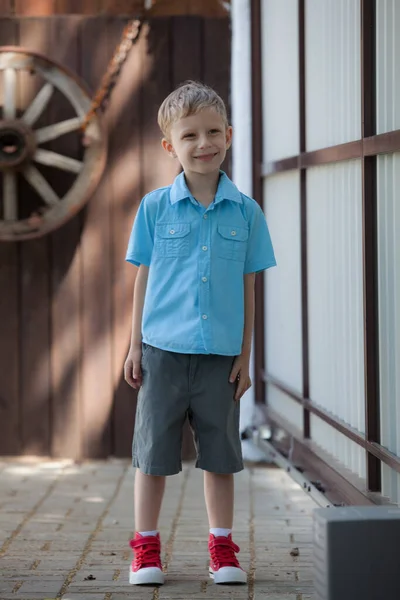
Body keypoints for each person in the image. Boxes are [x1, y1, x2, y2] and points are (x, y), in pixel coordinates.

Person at [124, 80, 276, 586]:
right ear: (171, 146)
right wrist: (134, 347)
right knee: (152, 456)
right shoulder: (154, 208)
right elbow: (142, 277)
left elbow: (249, 287)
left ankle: (222, 546)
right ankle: (145, 549)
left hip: (220, 357)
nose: (204, 143)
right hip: (162, 352)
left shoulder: (247, 212)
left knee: (221, 455)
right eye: (190, 135)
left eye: (214, 131)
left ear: (229, 135)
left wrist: (245, 355)